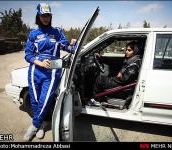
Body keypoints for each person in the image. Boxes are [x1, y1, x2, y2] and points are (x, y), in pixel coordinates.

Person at [23, 3, 76, 142]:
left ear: (51, 16)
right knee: (34, 100)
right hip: (35, 70)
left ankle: (34, 126)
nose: (45, 18)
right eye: (43, 15)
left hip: (52, 70)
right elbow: (28, 55)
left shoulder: (57, 32)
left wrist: (73, 44)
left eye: (48, 15)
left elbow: (68, 47)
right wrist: (39, 62)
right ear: (38, 16)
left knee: (44, 100)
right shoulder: (33, 34)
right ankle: (40, 125)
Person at [87, 41, 142, 106]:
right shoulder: (129, 60)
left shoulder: (134, 65)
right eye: (126, 50)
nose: (126, 52)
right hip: (121, 82)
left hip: (125, 87)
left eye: (129, 50)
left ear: (135, 51)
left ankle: (96, 100)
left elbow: (124, 79)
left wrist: (113, 78)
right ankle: (102, 99)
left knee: (100, 79)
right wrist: (101, 58)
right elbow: (115, 63)